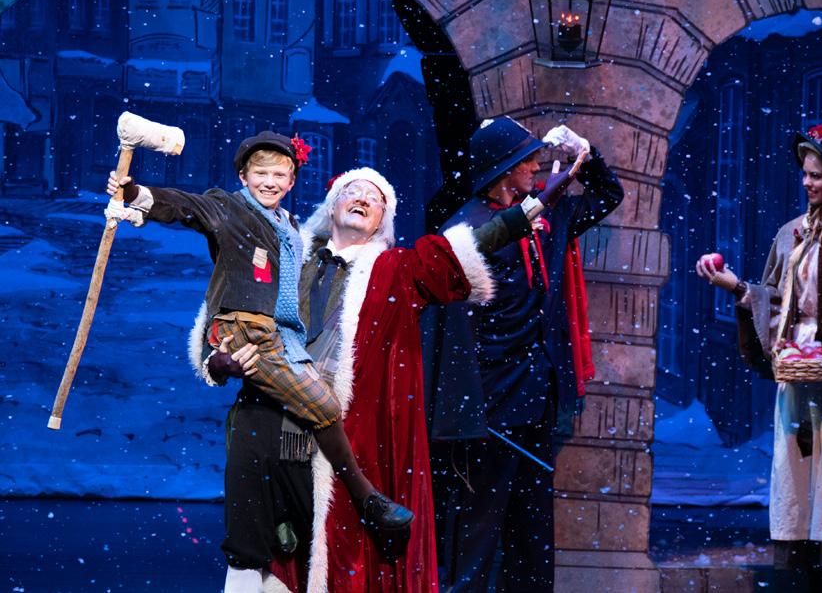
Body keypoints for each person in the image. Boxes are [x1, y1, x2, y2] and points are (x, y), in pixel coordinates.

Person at [207, 161, 580, 592]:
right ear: (331, 207)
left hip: (351, 437)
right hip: (275, 427)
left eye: (376, 198)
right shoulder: (289, 258)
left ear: (383, 221)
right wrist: (217, 358)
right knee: (262, 552)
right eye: (353, 191)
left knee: (341, 551)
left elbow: (467, 246)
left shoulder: (398, 270)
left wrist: (533, 206)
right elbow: (234, 303)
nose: (363, 199)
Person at [105, 132, 411, 591]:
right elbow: (188, 207)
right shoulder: (231, 208)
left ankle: (315, 518)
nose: (270, 182)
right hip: (247, 333)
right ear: (243, 176)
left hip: (280, 341)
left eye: (279, 175)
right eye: (261, 173)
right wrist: (138, 196)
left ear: (292, 181)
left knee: (316, 419)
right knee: (322, 408)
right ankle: (365, 497)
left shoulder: (290, 228)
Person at [425, 117, 624, 591]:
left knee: (531, 537)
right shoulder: (468, 230)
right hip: (489, 406)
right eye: (527, 160)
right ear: (503, 168)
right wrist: (467, 411)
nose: (537, 166)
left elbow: (608, 196)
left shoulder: (546, 217)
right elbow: (453, 334)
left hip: (536, 399)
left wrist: (586, 154)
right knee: (475, 534)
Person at [696, 123, 822, 578]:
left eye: (817, 175)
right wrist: (737, 287)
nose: (807, 183)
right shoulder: (792, 234)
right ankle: (798, 572)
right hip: (800, 376)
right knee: (797, 475)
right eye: (805, 174)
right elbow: (776, 301)